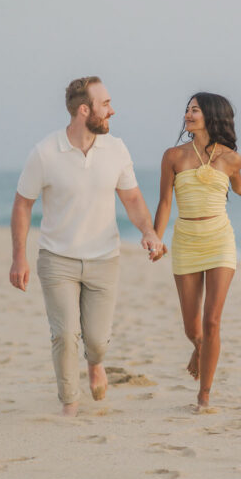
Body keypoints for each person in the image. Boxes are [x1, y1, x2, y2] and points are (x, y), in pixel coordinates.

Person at [10, 76, 164, 416]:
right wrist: (19, 257)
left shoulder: (117, 149)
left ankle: (96, 363)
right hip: (57, 258)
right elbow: (23, 204)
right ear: (84, 110)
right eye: (105, 104)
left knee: (95, 339)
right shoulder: (45, 152)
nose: (112, 110)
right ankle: (70, 405)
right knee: (65, 334)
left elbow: (133, 197)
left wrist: (148, 231)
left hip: (104, 259)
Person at [153, 92, 241, 409]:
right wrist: (157, 239)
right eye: (187, 109)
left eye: (194, 110)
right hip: (186, 239)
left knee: (212, 321)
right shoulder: (173, 156)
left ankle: (204, 395)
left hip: (220, 239)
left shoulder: (231, 158)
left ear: (210, 115)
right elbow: (165, 202)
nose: (188, 114)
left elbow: (237, 183)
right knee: (192, 327)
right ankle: (200, 347)